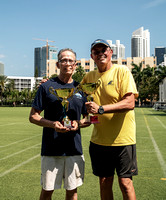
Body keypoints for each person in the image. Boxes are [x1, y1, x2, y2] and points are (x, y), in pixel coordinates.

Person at [81, 39, 138, 200]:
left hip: (123, 140)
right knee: (105, 182)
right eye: (96, 52)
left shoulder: (122, 71)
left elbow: (130, 102)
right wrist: (48, 84)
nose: (100, 54)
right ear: (92, 56)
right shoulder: (89, 76)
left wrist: (100, 109)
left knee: (125, 183)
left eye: (103, 50)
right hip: (99, 141)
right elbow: (74, 92)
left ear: (111, 52)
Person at [29, 48, 89, 200]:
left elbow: (89, 119)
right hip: (51, 149)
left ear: (75, 65)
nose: (67, 63)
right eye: (64, 60)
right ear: (57, 64)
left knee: (72, 191)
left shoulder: (80, 89)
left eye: (70, 60)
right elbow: (33, 116)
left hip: (74, 149)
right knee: (47, 191)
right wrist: (53, 124)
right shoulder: (46, 87)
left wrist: (77, 124)